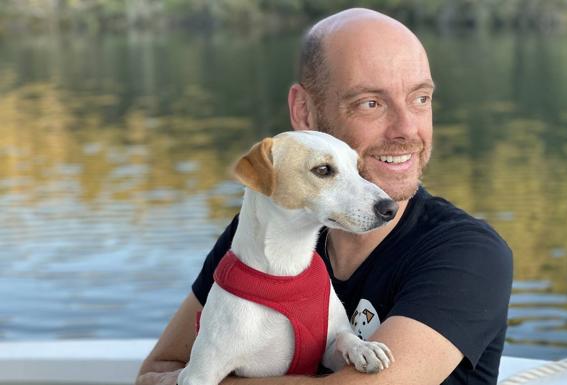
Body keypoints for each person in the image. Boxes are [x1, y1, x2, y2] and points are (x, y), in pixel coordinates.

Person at [136, 7, 513, 385]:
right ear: (304, 112)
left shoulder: (467, 254)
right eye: (371, 103)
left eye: (421, 99)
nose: (406, 128)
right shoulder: (263, 236)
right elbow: (156, 372)